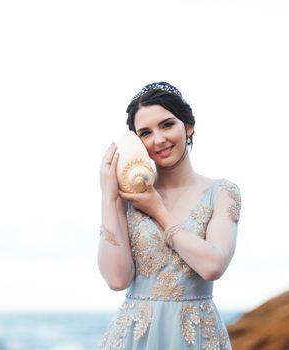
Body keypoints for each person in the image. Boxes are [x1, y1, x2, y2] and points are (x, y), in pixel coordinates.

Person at [98, 82, 240, 349]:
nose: (159, 139)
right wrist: (109, 195)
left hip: (195, 335)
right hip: (134, 336)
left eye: (166, 125)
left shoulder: (222, 192)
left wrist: (158, 210)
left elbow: (213, 266)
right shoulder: (126, 200)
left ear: (188, 126)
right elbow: (117, 280)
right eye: (145, 133)